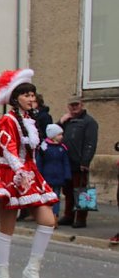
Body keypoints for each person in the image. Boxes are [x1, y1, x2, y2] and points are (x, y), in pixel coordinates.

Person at [0, 69, 57, 278]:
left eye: (32, 95)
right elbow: (8, 147)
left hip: (31, 174)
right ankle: (3, 277)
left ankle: (32, 269)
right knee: (7, 228)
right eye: (26, 95)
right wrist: (19, 171)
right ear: (15, 99)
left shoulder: (30, 120)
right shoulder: (8, 119)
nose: (31, 98)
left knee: (48, 220)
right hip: (11, 175)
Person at [58, 96, 98, 228]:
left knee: (83, 191)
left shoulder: (89, 122)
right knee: (68, 191)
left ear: (82, 105)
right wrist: (60, 122)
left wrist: (85, 161)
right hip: (66, 162)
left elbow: (90, 143)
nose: (74, 107)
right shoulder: (67, 121)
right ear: (68, 106)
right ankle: (69, 216)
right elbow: (53, 133)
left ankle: (81, 219)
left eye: (76, 104)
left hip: (80, 162)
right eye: (72, 105)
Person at [36, 124, 72, 219]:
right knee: (46, 197)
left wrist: (67, 174)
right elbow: (39, 162)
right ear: (53, 136)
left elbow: (66, 162)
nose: (62, 137)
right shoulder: (44, 148)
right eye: (59, 134)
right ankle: (45, 214)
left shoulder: (62, 148)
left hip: (58, 176)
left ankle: (55, 215)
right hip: (46, 176)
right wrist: (38, 175)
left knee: (56, 197)